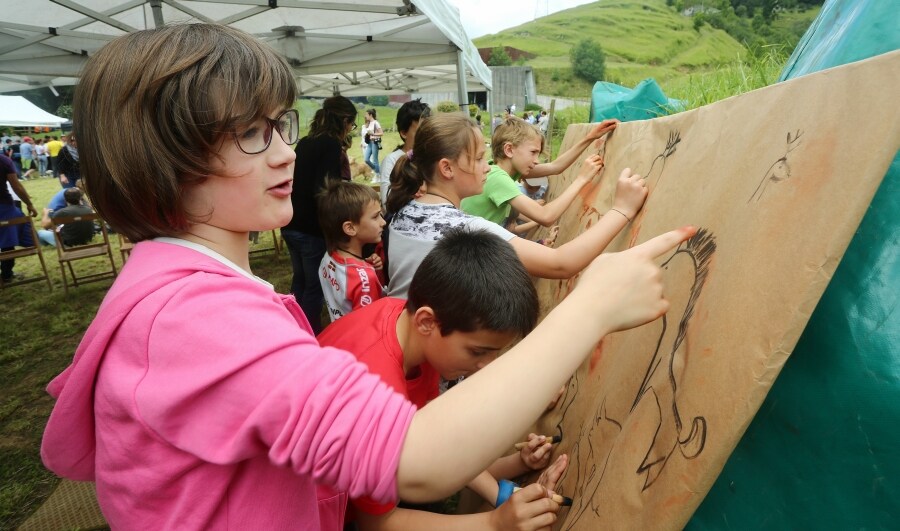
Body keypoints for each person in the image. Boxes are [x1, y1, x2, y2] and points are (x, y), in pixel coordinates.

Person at [39, 23, 692, 530]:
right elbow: (419, 456)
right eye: (252, 134)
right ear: (167, 160)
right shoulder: (194, 317)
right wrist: (592, 308)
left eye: (280, 126)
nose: (286, 151)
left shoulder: (177, 290)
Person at [319, 227, 567, 530]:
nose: (485, 366)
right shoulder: (376, 393)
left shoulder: (406, 321)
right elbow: (378, 522)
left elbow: (433, 449)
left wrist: (515, 470)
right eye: (478, 351)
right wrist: (495, 523)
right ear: (427, 322)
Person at [385, 113, 646, 299]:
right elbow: (560, 264)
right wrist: (621, 209)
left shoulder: (404, 210)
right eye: (478, 159)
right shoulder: (464, 230)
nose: (486, 166)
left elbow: (554, 168)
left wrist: (589, 138)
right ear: (446, 168)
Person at [282, 95, 357, 333]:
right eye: (352, 125)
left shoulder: (306, 141)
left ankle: (292, 328)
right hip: (311, 228)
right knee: (314, 287)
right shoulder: (330, 145)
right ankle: (308, 336)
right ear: (344, 121)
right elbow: (325, 189)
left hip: (291, 223)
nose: (350, 130)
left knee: (300, 282)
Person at [462, 117, 607, 227]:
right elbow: (546, 217)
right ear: (509, 150)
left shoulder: (503, 170)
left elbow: (555, 167)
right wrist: (582, 179)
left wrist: (589, 138)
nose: (537, 160)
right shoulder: (497, 178)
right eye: (533, 152)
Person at [317, 180, 385, 322]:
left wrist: (365, 265)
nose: (383, 222)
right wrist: (366, 273)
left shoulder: (328, 257)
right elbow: (370, 324)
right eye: (375, 216)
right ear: (350, 228)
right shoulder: (364, 279)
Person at [379, 99, 430, 205]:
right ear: (404, 133)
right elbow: (386, 201)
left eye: (429, 130)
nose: (426, 135)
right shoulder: (392, 160)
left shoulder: (433, 158)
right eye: (420, 131)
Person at [0, 152, 37, 284]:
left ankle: (6, 274)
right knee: (9, 240)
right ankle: (6, 274)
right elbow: (17, 187)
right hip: (4, 207)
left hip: (5, 207)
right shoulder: (4, 161)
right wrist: (29, 204)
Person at [361, 108, 383, 174]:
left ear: (370, 115)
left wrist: (373, 134)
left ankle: (377, 174)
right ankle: (378, 171)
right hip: (369, 143)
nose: (365, 116)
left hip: (375, 143)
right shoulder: (369, 123)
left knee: (375, 160)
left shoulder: (376, 123)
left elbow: (381, 133)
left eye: (366, 114)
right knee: (366, 159)